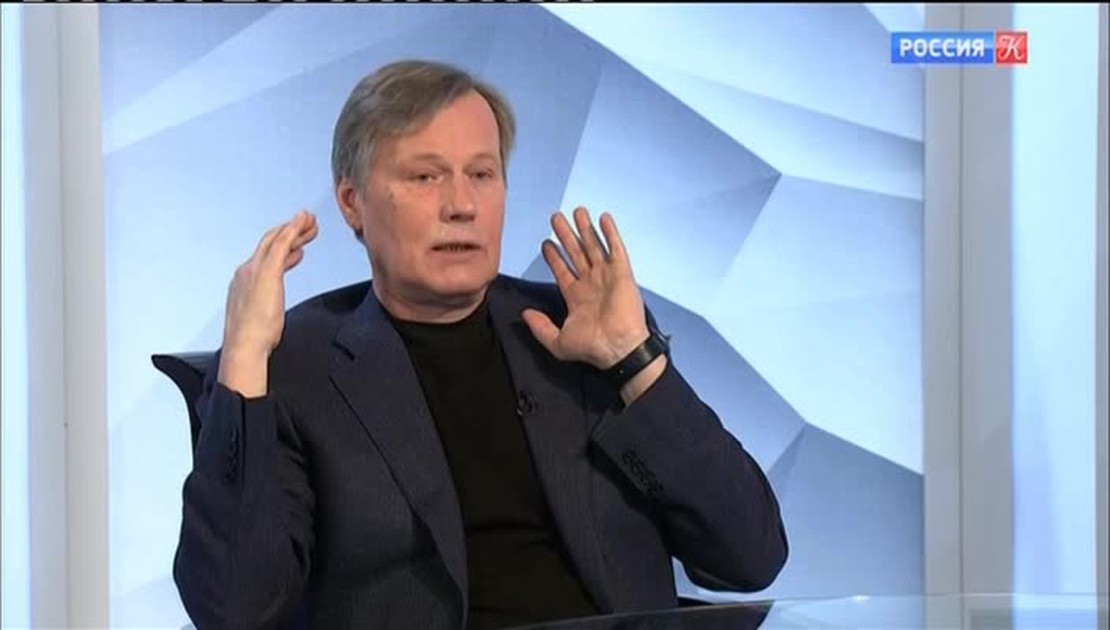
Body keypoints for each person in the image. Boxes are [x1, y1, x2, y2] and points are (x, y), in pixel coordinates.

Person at [173, 59, 788, 630]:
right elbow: (235, 608)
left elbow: (751, 558)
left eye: (482, 174)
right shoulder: (295, 366)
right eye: (425, 176)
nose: (462, 205)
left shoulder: (582, 329)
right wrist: (244, 359)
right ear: (352, 203)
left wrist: (635, 360)